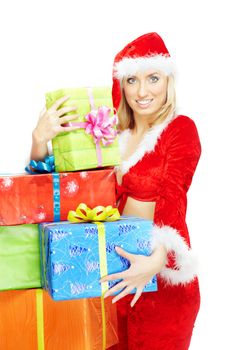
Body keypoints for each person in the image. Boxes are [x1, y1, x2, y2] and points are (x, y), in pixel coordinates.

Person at [31, 32, 201, 350]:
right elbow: (63, 187)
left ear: (169, 81)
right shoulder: (109, 133)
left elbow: (172, 197)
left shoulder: (181, 129)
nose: (142, 91)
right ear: (120, 85)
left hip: (160, 280)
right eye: (132, 80)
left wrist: (155, 260)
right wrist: (40, 141)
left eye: (153, 78)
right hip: (114, 279)